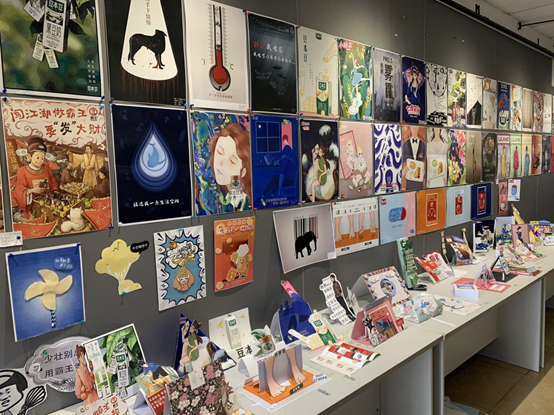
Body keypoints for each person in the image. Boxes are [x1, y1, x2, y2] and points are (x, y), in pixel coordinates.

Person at [208, 124, 252, 212]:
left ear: (243, 171)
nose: (221, 162)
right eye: (220, 152)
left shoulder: (243, 202)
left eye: (232, 161)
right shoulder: (216, 192)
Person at [13, 138, 59, 220]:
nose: (40, 161)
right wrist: (31, 190)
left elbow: (53, 182)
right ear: (29, 157)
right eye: (37, 157)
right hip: (32, 206)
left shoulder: (46, 168)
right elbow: (19, 191)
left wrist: (55, 191)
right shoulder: (22, 171)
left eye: (42, 158)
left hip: (48, 203)